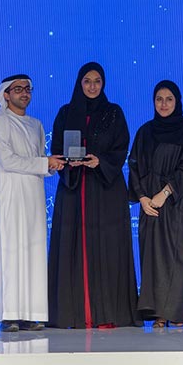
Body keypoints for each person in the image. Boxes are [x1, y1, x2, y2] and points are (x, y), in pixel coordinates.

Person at [48, 62, 141, 328]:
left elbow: (121, 148)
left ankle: (108, 314)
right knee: (73, 246)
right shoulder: (66, 113)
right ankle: (73, 314)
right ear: (79, 83)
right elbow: (57, 147)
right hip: (74, 190)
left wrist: (100, 162)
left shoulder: (114, 112)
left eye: (97, 81)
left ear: (103, 84)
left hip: (105, 190)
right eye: (87, 81)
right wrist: (69, 163)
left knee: (107, 248)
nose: (92, 86)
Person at [0, 74, 66, 332]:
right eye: (18, 89)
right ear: (6, 94)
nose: (24, 93)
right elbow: (8, 160)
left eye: (27, 89)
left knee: (34, 252)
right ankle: (9, 315)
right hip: (9, 199)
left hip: (33, 198)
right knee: (10, 252)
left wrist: (52, 165)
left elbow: (38, 159)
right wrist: (44, 163)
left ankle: (32, 314)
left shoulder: (35, 125)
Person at [128, 80, 183, 328]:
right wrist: (142, 197)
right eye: (159, 99)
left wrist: (165, 192)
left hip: (178, 206)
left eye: (169, 99)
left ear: (177, 101)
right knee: (153, 259)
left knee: (178, 257)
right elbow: (134, 166)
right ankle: (159, 313)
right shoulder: (145, 132)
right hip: (150, 205)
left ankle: (177, 312)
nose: (163, 104)